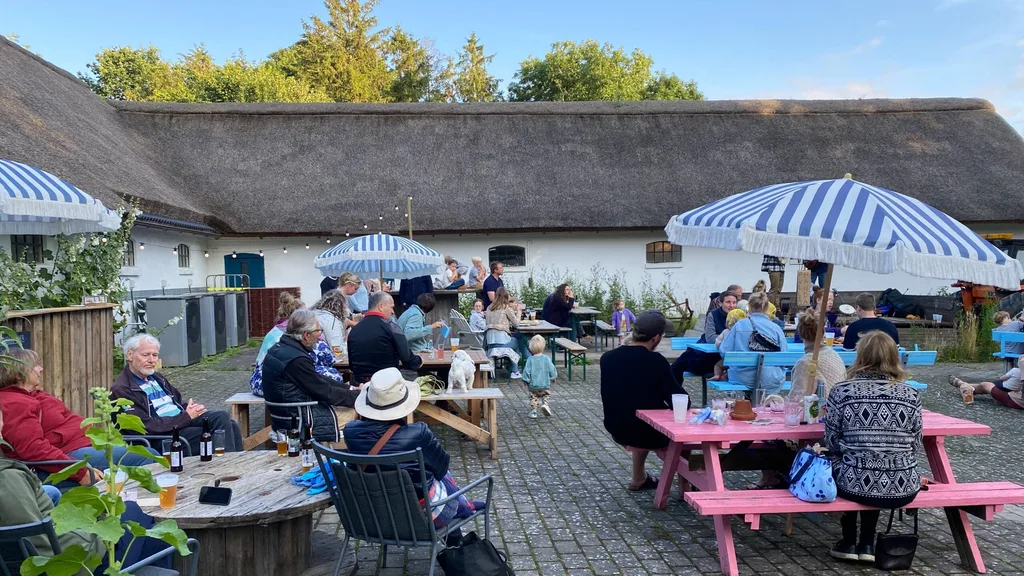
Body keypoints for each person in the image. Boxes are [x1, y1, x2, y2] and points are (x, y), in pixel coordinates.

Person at [0, 400, 173, 574]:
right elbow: (30, 538)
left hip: (67, 550)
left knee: (153, 539)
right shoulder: (7, 478)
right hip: (79, 564)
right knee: (134, 513)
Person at [345, 368, 481, 545]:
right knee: (442, 475)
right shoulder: (418, 433)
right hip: (420, 517)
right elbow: (442, 468)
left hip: (372, 516)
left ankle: (461, 509)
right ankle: (459, 526)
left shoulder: (350, 432)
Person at [825, 331, 921, 563]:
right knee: (875, 465)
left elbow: (832, 441)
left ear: (860, 355)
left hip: (854, 480)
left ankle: (849, 540)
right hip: (902, 484)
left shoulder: (842, 391)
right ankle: (867, 542)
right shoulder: (911, 394)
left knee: (849, 465)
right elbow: (915, 443)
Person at [0, 348, 156, 488]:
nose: (40, 369)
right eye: (35, 366)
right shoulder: (14, 403)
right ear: (20, 371)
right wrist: (79, 471)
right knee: (145, 456)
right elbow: (32, 448)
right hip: (65, 457)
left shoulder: (32, 395)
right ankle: (146, 512)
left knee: (146, 453)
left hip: (81, 447)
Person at [112, 334, 243, 455]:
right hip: (162, 437)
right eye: (146, 355)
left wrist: (193, 409)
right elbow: (145, 427)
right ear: (130, 355)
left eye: (155, 355)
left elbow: (178, 402)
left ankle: (236, 463)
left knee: (224, 418)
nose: (152, 360)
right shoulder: (122, 389)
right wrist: (186, 417)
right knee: (215, 433)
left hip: (179, 422)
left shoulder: (156, 378)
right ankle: (227, 467)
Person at [600, 311, 684, 491]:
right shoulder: (656, 361)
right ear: (656, 338)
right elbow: (679, 400)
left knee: (641, 413)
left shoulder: (607, 358)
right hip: (647, 432)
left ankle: (638, 477)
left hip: (617, 427)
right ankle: (689, 488)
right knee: (682, 436)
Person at [262, 310, 362, 442]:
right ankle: (362, 457)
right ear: (306, 335)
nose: (320, 336)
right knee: (362, 411)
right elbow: (325, 392)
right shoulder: (296, 360)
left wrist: (350, 389)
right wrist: (360, 397)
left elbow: (317, 379)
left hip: (286, 416)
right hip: (300, 421)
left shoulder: (281, 349)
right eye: (318, 331)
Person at [251, 292, 344, 396]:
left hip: (260, 380)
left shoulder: (274, 332)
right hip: (282, 388)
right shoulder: (308, 336)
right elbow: (329, 360)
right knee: (332, 376)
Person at [347, 291, 424, 384]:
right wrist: (419, 361)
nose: (392, 312)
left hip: (360, 386)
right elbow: (407, 359)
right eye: (391, 307)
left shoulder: (354, 330)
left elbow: (351, 365)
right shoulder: (392, 327)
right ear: (381, 306)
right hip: (387, 386)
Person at [720, 292, 787, 394]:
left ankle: (744, 404)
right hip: (771, 378)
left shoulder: (739, 325)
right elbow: (784, 356)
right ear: (766, 308)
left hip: (743, 377)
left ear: (749, 307)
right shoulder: (776, 328)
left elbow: (724, 351)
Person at [670, 289, 739, 384]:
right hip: (703, 350)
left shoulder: (740, 316)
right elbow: (710, 338)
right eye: (728, 302)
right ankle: (676, 393)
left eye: (734, 303)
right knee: (677, 365)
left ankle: (677, 394)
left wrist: (722, 339)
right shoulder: (713, 315)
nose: (731, 305)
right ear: (720, 303)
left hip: (720, 356)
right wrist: (727, 339)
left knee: (681, 365)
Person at [788, 309, 848, 398]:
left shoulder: (806, 363)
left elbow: (795, 401)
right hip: (840, 405)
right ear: (823, 332)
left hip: (823, 409)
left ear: (800, 334)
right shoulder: (833, 354)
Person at [950, 355, 1024, 409]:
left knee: (985, 385)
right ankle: (963, 385)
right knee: (985, 386)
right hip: (1015, 392)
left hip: (1016, 401)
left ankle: (961, 385)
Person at [485, 287, 523, 379]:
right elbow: (517, 324)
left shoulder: (489, 307)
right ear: (506, 296)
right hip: (501, 342)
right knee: (517, 341)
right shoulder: (506, 308)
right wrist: (519, 311)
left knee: (513, 340)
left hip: (489, 343)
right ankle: (514, 370)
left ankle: (510, 367)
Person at [522, 335, 557, 419]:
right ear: (543, 346)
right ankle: (545, 404)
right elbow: (552, 368)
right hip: (545, 384)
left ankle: (534, 412)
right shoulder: (546, 359)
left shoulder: (530, 359)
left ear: (531, 348)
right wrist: (553, 377)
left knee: (533, 397)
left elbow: (526, 371)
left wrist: (525, 380)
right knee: (546, 395)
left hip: (533, 385)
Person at [311, 289, 351, 356]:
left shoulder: (313, 313)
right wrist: (346, 345)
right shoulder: (331, 321)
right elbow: (337, 350)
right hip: (322, 358)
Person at [710, 308, 746, 381]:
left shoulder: (726, 331)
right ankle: (725, 375)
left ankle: (717, 375)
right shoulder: (744, 333)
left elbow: (718, 342)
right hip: (742, 360)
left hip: (728, 359)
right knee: (733, 368)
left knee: (718, 365)